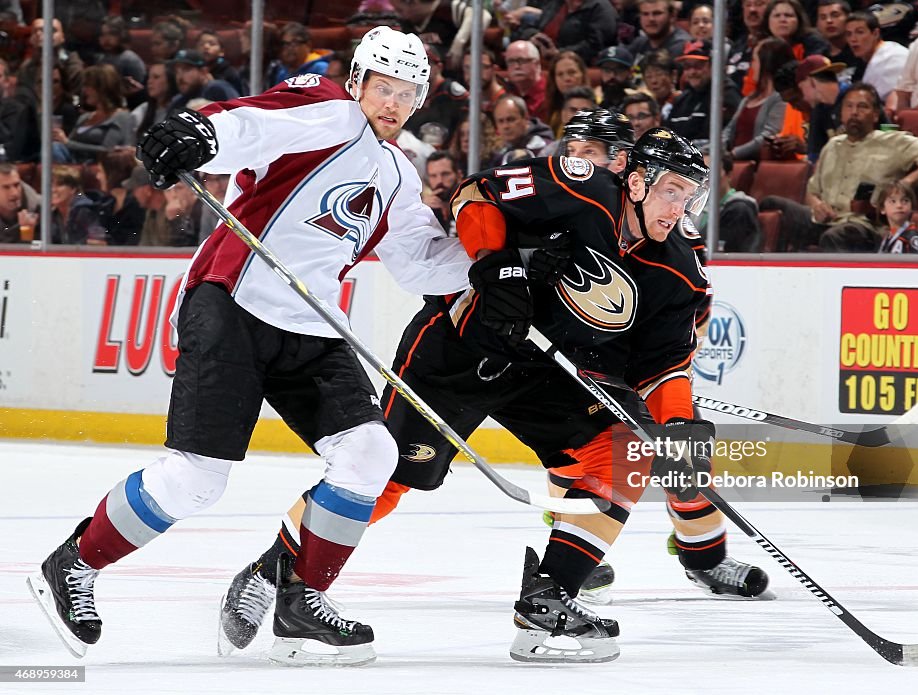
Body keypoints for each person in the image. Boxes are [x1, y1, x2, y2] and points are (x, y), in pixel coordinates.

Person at [216, 125, 771, 664]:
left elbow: (664, 366)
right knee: (387, 478)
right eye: (671, 189)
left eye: (689, 195)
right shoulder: (581, 185)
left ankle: (548, 599)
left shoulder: (678, 271)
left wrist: (676, 425)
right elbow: (476, 193)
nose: (678, 208)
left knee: (623, 450)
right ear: (636, 181)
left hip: (546, 372)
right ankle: (273, 572)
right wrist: (494, 263)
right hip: (461, 350)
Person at [28, 26, 473, 666]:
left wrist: (492, 263)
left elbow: (425, 265)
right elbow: (252, 125)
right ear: (357, 81)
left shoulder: (399, 173)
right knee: (196, 480)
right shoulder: (330, 110)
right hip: (231, 302)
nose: (394, 103)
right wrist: (201, 133)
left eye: (409, 92)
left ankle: (299, 601)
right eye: (383, 87)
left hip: (313, 327)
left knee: (370, 452)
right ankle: (75, 562)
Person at [759, 83, 918, 251]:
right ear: (841, 114)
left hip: (864, 226)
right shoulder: (831, 146)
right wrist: (817, 206)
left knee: (836, 236)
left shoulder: (894, 142)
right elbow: (812, 191)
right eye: (849, 106)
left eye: (862, 107)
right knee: (771, 205)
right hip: (825, 221)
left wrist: (905, 184)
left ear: (875, 114)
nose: (854, 112)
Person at [722, 37, 792, 160]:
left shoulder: (780, 99)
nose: (751, 65)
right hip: (729, 163)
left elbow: (768, 136)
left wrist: (733, 154)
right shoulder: (748, 99)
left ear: (767, 63)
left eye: (754, 60)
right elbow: (728, 131)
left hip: (752, 165)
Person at [52, 64, 135, 164]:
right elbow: (68, 144)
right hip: (73, 163)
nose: (84, 90)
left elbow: (108, 150)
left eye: (88, 86)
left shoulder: (121, 117)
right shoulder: (84, 118)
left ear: (102, 88)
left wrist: (68, 143)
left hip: (97, 166)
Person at [666, 40, 742, 147]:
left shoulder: (725, 94)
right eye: (687, 66)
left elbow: (720, 139)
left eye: (698, 66)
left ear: (713, 66)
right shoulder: (681, 100)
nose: (692, 72)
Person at [696, 150, 762, 252]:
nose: (705, 179)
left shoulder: (740, 210)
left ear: (729, 175)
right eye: (701, 172)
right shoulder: (691, 205)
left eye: (711, 172)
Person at [404, 45, 468, 148]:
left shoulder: (452, 92)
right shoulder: (409, 93)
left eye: (427, 63)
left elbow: (468, 122)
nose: (422, 68)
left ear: (439, 67)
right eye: (418, 63)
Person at [845, 10, 908, 103]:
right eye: (849, 34)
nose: (853, 39)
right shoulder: (865, 61)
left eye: (859, 32)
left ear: (875, 33)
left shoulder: (893, 56)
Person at [796, 54, 848, 162]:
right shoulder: (818, 112)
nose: (804, 97)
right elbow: (815, 157)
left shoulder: (858, 99)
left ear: (812, 82)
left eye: (802, 89)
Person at [490, 94, 555, 166]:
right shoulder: (497, 155)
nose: (505, 126)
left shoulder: (545, 148)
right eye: (500, 121)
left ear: (526, 118)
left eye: (511, 119)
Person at [168, 50, 241, 112]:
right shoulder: (177, 101)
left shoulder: (217, 89)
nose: (180, 77)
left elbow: (239, 113)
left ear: (203, 71)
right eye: (177, 71)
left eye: (186, 69)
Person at [264, 22, 331, 87]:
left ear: (308, 45)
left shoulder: (321, 69)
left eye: (295, 43)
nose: (289, 48)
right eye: (285, 44)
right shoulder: (282, 72)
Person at [627, 0, 692, 60]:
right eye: (645, 14)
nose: (651, 19)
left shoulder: (683, 46)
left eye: (657, 13)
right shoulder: (639, 43)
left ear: (672, 16)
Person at [875, 179, 918, 253]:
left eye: (905, 201)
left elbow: (916, 264)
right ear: (882, 208)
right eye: (893, 201)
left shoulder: (912, 237)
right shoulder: (887, 237)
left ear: (912, 207)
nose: (899, 206)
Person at [503, 40, 549, 123]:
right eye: (511, 61)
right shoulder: (507, 94)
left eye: (521, 61)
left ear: (537, 63)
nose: (516, 66)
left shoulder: (550, 92)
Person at [423, 149, 462, 234]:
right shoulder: (424, 209)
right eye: (433, 176)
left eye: (445, 174)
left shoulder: (470, 206)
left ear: (459, 175)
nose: (439, 181)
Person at [0, 162, 41, 243]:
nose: (14, 193)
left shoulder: (42, 209)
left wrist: (27, 232)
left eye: (16, 185)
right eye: (6, 187)